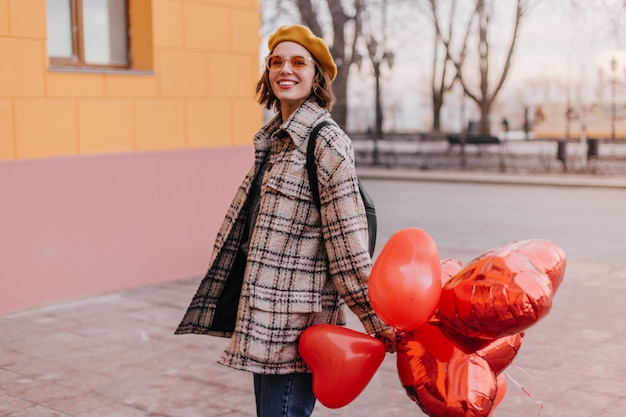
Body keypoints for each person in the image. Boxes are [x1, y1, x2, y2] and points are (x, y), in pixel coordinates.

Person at [175, 24, 396, 417]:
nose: (285, 70)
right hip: (266, 314)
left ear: (316, 77)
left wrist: (374, 318)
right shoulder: (275, 139)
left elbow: (347, 245)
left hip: (299, 321)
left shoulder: (325, 141)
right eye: (276, 61)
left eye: (298, 62)